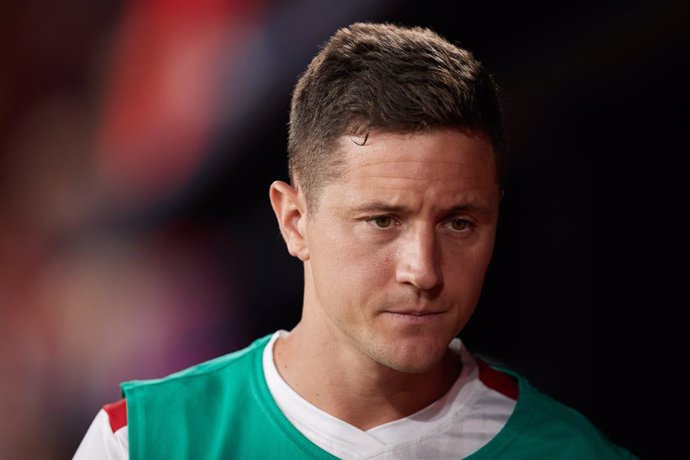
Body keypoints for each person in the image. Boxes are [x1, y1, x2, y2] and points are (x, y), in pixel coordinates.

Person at [74, 22, 637, 459]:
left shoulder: (573, 452)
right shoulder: (143, 443)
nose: (424, 270)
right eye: (382, 221)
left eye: (459, 223)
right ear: (294, 221)